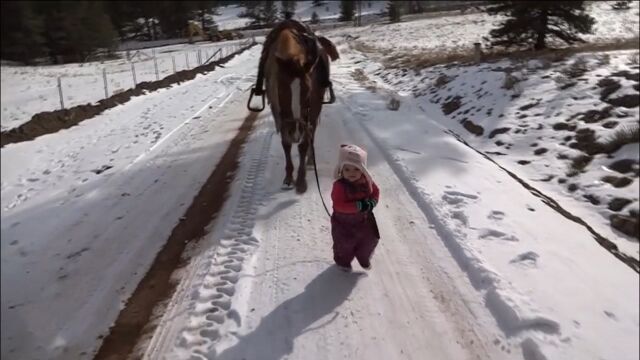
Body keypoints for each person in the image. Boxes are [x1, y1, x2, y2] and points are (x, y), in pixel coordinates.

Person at [331, 144, 380, 272]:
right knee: (344, 244)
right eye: (347, 169)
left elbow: (375, 191)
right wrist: (358, 206)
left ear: (363, 170)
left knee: (370, 240)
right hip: (343, 222)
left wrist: (373, 201)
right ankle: (343, 262)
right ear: (341, 171)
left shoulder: (367, 181)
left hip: (364, 220)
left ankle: (363, 257)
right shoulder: (339, 186)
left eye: (356, 169)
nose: (351, 173)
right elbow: (338, 205)